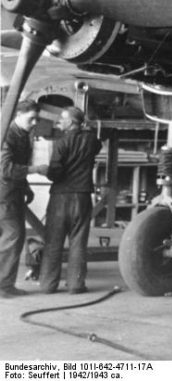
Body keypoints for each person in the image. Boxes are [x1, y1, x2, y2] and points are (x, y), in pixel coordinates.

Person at [39, 106, 102, 294]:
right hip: (82, 197)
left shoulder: (61, 143)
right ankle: (76, 285)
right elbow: (98, 144)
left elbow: (55, 174)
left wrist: (45, 171)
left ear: (72, 122)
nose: (59, 121)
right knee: (78, 242)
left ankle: (48, 285)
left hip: (60, 198)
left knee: (53, 242)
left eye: (63, 118)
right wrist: (87, 130)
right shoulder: (92, 141)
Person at [0, 100, 44, 299]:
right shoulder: (7, 135)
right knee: (13, 237)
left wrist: (26, 186)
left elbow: (16, 164)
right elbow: (5, 169)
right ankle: (3, 286)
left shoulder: (22, 134)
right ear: (17, 115)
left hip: (13, 192)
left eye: (37, 118)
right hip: (5, 194)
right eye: (31, 118)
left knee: (10, 237)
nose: (35, 122)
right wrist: (35, 170)